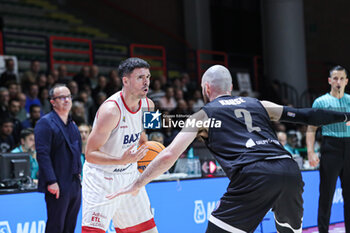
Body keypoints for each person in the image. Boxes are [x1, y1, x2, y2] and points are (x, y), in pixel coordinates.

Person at [107, 65, 350, 233]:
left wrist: (137, 183)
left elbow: (170, 154)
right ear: (231, 86)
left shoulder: (202, 116)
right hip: (288, 169)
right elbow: (306, 115)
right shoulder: (259, 104)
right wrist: (345, 117)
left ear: (206, 88)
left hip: (253, 174)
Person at [82, 57, 158, 233]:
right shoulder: (111, 110)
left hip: (130, 176)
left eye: (148, 76)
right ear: (125, 80)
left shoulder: (150, 105)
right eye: (140, 77)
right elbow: (90, 153)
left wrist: (150, 151)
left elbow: (145, 136)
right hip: (101, 178)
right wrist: (120, 160)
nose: (146, 81)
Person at [306, 65, 350, 233]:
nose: (338, 82)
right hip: (331, 147)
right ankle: (323, 230)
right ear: (329, 80)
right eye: (335, 78)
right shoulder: (321, 102)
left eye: (341, 78)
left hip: (349, 147)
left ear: (346, 81)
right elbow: (311, 128)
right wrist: (310, 151)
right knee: (326, 194)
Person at [34, 84, 82, 233]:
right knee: (56, 225)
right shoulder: (45, 123)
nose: (66, 100)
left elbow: (76, 151)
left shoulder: (72, 125)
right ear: (52, 101)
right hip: (58, 182)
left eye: (68, 96)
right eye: (62, 97)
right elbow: (42, 154)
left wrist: (79, 174)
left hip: (74, 182)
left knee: (70, 225)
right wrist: (51, 181)